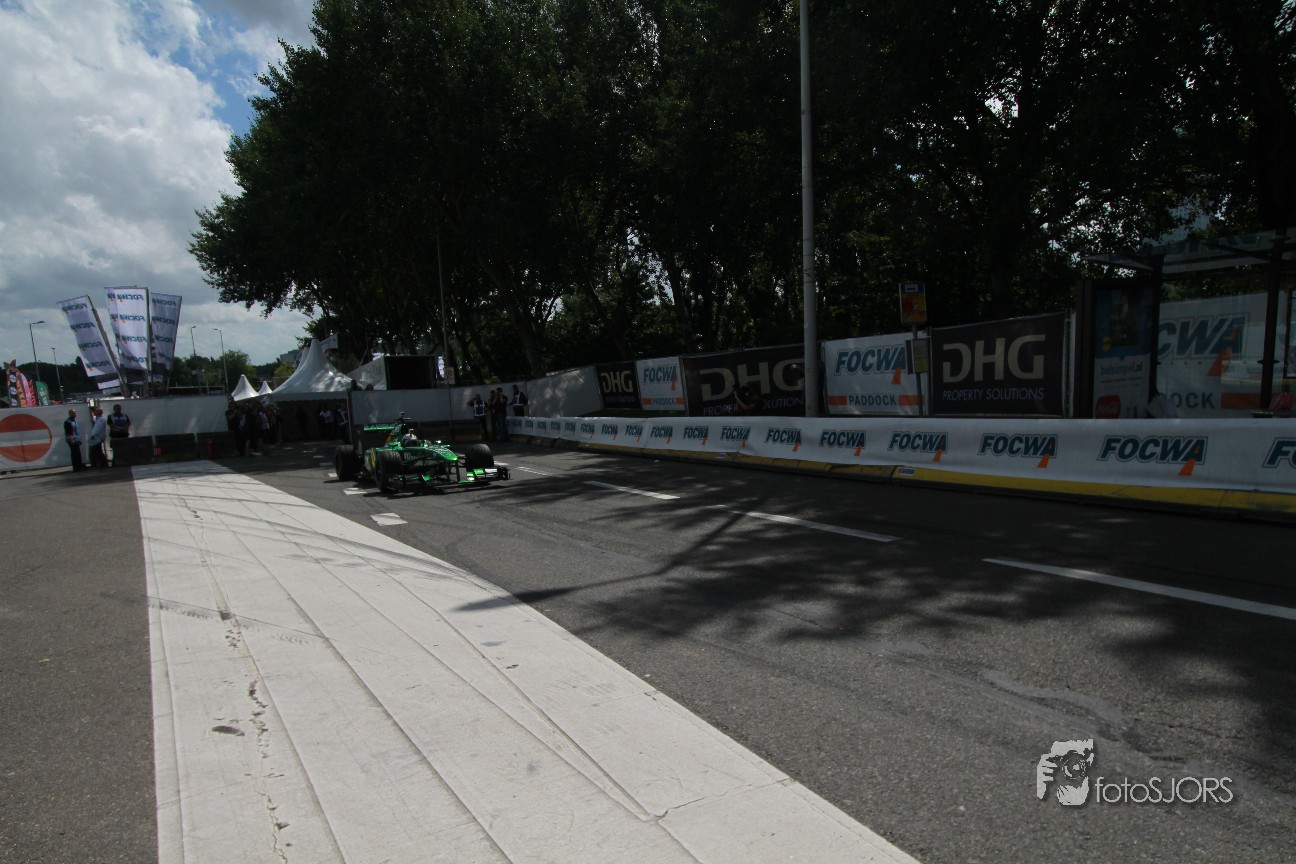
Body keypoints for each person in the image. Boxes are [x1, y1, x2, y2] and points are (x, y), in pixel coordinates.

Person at [64, 408, 85, 472]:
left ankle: (79, 466)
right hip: (72, 440)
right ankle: (76, 467)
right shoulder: (68, 422)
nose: (74, 414)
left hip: (76, 439)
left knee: (78, 453)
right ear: (69, 414)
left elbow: (76, 431)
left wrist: (79, 439)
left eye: (75, 413)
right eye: (73, 413)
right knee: (74, 454)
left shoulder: (74, 421)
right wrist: (71, 440)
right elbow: (68, 432)